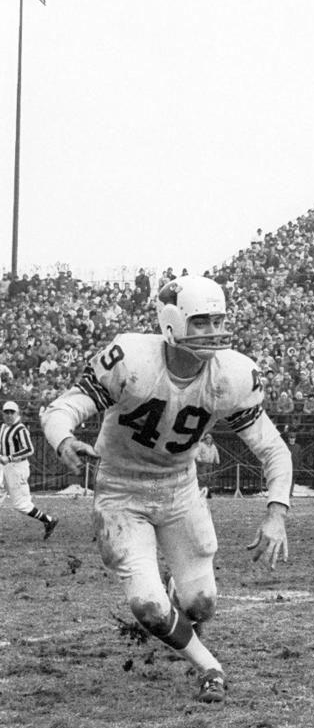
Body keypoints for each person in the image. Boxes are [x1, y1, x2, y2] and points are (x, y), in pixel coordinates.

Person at [40, 275, 292, 703]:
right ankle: (209, 666)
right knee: (149, 608)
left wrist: (276, 513)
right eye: (201, 321)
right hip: (122, 490)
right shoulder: (132, 358)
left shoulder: (232, 373)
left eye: (218, 319)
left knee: (200, 606)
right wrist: (64, 438)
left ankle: (179, 609)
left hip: (179, 489)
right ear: (173, 323)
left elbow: (273, 449)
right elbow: (64, 406)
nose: (213, 330)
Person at [0, 400, 59, 538]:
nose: (9, 415)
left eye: (11, 412)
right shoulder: (3, 427)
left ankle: (49, 520)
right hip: (3, 466)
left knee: (20, 504)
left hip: (17, 468)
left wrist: (10, 457)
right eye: (6, 412)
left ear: (17, 413)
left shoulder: (20, 429)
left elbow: (29, 449)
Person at [194, 433, 220, 498]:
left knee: (209, 478)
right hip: (203, 464)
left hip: (210, 464)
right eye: (207, 438)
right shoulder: (201, 445)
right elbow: (197, 453)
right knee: (203, 478)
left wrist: (217, 460)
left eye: (210, 438)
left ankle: (208, 493)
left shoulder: (213, 446)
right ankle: (202, 493)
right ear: (205, 439)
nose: (209, 440)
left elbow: (216, 453)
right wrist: (199, 459)